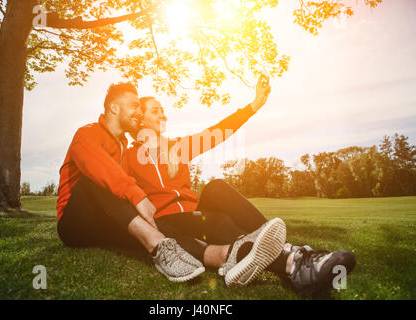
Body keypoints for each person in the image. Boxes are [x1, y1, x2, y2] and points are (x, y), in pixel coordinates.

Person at [125, 75, 356, 295]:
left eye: (163, 110)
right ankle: (292, 264)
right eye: (155, 111)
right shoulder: (128, 156)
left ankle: (289, 251)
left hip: (193, 215)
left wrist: (253, 105)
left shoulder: (177, 147)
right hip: (167, 223)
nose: (163, 115)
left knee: (216, 187)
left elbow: (218, 132)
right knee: (220, 222)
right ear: (140, 118)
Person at [56, 83, 207, 282]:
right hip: (74, 221)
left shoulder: (124, 148)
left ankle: (217, 255)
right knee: (99, 180)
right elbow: (99, 167)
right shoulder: (87, 133)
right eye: (134, 106)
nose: (139, 112)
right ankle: (158, 246)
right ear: (114, 108)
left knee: (149, 222)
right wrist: (137, 195)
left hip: (106, 220)